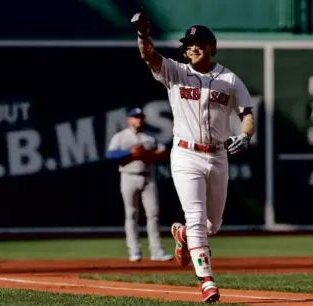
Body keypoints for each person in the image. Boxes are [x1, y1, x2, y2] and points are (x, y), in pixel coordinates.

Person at [131, 8, 256, 303]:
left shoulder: (229, 79)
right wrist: (143, 34)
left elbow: (247, 114)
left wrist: (245, 135)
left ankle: (184, 234)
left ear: (211, 47)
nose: (193, 47)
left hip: (218, 155)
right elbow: (149, 56)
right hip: (186, 155)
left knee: (213, 225)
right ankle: (206, 281)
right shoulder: (176, 71)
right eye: (188, 44)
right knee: (198, 218)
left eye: (199, 42)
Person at [106, 107, 173, 263]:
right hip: (128, 176)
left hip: (148, 177)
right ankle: (134, 250)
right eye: (135, 117)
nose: (139, 119)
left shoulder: (149, 137)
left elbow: (163, 153)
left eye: (140, 117)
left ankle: (157, 250)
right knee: (131, 214)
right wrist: (130, 153)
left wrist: (148, 154)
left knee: (153, 214)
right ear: (129, 120)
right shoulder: (120, 137)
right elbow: (111, 154)